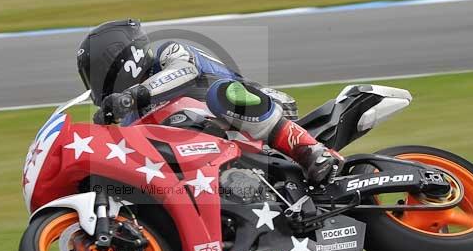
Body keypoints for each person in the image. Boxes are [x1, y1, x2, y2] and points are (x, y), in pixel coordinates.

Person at [76, 19, 343, 186]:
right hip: (212, 153)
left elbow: (185, 71)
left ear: (122, 59)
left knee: (223, 94)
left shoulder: (168, 53)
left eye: (98, 73)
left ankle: (309, 150)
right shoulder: (133, 115)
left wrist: (131, 96)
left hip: (255, 110)